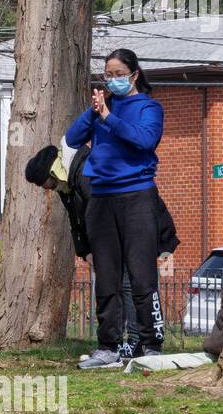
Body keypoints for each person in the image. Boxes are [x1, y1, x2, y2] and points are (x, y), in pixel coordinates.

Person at [25, 137, 178, 357]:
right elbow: (76, 221)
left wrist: (102, 249)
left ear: (50, 174)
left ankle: (139, 342)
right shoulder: (67, 185)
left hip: (129, 228)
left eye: (43, 185)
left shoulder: (87, 172)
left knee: (131, 284)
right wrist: (85, 251)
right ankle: (125, 342)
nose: (45, 189)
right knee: (117, 286)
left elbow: (100, 214)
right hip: (113, 233)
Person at [63, 48, 167, 369]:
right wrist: (94, 113)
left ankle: (150, 345)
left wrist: (109, 116)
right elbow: (72, 137)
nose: (113, 80)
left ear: (134, 75)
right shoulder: (100, 110)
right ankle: (108, 345)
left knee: (140, 275)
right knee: (106, 277)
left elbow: (144, 140)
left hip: (137, 198)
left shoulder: (149, 108)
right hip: (102, 200)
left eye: (119, 74)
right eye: (108, 75)